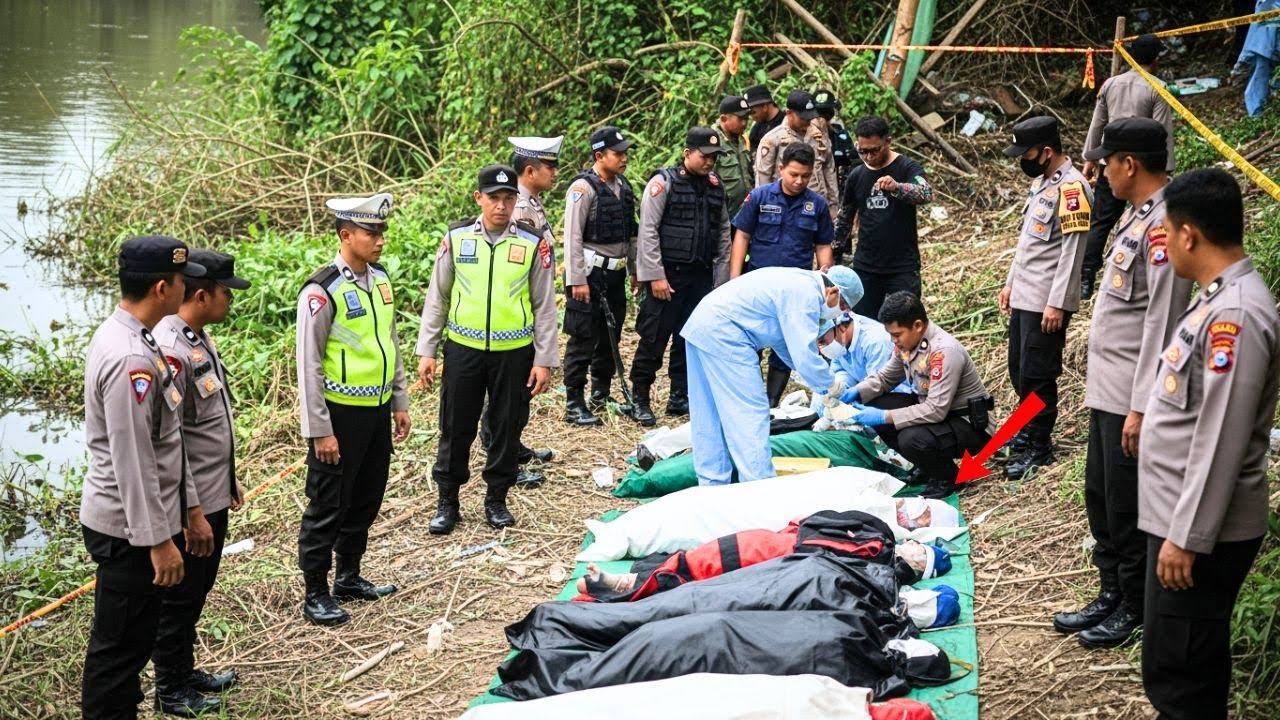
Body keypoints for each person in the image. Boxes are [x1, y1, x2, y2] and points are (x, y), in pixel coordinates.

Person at [1136, 168, 1280, 720]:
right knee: (1175, 662)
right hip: (1182, 519)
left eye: (1167, 231)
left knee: (1183, 678)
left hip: (1199, 531)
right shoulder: (1216, 298)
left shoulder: (1236, 314)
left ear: (1189, 234)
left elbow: (1221, 435)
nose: (1165, 242)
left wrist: (1187, 537)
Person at [1055, 119, 1193, 650]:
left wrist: (1141, 407)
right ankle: (1110, 589)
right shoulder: (1136, 218)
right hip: (1107, 392)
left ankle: (1134, 604)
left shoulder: (1163, 227)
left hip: (1130, 398)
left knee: (1127, 504)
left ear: (1128, 164)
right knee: (1102, 498)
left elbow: (1162, 321)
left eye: (1106, 163)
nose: (1100, 172)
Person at [80, 236, 205, 720]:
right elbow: (132, 459)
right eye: (180, 280)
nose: (186, 287)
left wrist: (189, 510)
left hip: (135, 522)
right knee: (119, 651)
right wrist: (158, 541)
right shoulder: (131, 357)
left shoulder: (136, 337)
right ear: (161, 287)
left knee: (130, 644)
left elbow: (166, 441)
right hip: (125, 530)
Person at [416, 165, 558, 535]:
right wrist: (427, 349)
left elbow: (544, 305)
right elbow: (439, 296)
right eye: (493, 198)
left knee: (506, 425)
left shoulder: (531, 242)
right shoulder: (457, 237)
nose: (501, 206)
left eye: (509, 198)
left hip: (514, 352)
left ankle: (496, 498)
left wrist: (544, 359)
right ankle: (448, 500)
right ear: (478, 198)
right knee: (455, 425)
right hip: (464, 348)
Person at [296, 193, 411, 626]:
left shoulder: (380, 280)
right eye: (370, 232)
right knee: (329, 504)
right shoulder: (322, 290)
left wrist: (399, 400)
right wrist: (319, 430)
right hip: (339, 415)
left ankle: (349, 575)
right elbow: (308, 365)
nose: (379, 240)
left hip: (376, 410)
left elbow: (390, 343)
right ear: (346, 235)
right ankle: (315, 591)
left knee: (366, 495)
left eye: (382, 231)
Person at [152, 250, 249, 716]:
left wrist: (229, 479)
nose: (231, 300)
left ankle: (184, 670)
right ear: (203, 295)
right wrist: (192, 511)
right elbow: (172, 440)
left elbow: (208, 426)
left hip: (211, 491)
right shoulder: (171, 347)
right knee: (181, 596)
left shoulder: (197, 337)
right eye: (227, 292)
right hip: (189, 502)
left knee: (197, 592)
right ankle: (170, 687)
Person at [679, 265, 863, 486]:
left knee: (708, 413)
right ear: (833, 292)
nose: (839, 313)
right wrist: (832, 385)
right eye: (842, 307)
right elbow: (804, 354)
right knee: (750, 413)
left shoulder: (796, 283)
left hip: (702, 324)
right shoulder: (806, 295)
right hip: (727, 334)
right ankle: (759, 488)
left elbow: (786, 346)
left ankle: (712, 484)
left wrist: (819, 386)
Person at [997, 116, 1092, 479]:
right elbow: (1027, 246)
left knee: (1038, 375)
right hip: (1025, 294)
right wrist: (1010, 283)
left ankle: (1040, 446)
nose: (1022, 159)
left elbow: (1073, 251)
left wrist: (1058, 302)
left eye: (1027, 152)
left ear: (1047, 151)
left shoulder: (1072, 189)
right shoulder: (1042, 184)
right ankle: (1026, 431)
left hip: (1046, 302)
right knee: (1019, 369)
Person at [629, 128, 733, 424]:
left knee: (690, 339)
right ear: (687, 153)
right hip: (668, 275)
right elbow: (648, 230)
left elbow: (724, 234)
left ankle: (679, 397)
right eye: (705, 156)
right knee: (653, 337)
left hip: (700, 276)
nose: (710, 162)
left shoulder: (715, 186)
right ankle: (640, 397)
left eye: (715, 157)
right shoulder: (663, 183)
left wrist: (721, 282)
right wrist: (655, 276)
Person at [846, 291, 993, 499]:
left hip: (969, 423)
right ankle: (927, 467)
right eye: (890, 334)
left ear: (917, 326)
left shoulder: (944, 352)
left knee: (910, 438)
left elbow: (935, 410)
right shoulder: (908, 344)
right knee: (879, 404)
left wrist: (885, 416)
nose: (893, 341)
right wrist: (857, 393)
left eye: (897, 335)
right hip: (940, 414)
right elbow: (886, 379)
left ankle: (949, 477)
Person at [479, 136, 563, 488]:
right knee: (508, 396)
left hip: (526, 316)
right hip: (513, 316)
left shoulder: (532, 203)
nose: (556, 173)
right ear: (530, 170)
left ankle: (511, 447)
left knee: (517, 395)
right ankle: (503, 456)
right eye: (550, 167)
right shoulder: (517, 209)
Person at [730, 143, 836, 407]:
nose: (799, 181)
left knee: (787, 343)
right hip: (757, 283)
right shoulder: (760, 197)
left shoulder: (817, 204)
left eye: (805, 175)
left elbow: (823, 245)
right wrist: (734, 279)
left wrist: (826, 281)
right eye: (793, 174)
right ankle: (748, 399)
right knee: (751, 342)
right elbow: (742, 235)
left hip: (795, 289)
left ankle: (772, 402)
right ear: (780, 169)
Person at [1080, 34, 1175, 300]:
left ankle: (1086, 277)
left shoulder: (1111, 84)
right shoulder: (1156, 87)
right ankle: (1135, 278)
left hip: (1111, 163)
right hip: (1142, 170)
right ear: (1156, 59)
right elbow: (1161, 132)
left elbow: (1097, 123)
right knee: (1143, 223)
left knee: (1100, 222)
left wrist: (1090, 158)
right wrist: (1165, 171)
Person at [561, 126, 639, 426]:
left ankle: (601, 392)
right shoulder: (583, 189)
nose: (624, 158)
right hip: (589, 274)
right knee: (583, 337)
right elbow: (572, 237)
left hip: (616, 274)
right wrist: (577, 280)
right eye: (618, 153)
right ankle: (574, 401)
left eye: (625, 153)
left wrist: (634, 271)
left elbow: (630, 233)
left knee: (611, 334)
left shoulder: (624, 187)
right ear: (599, 155)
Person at [833, 116, 934, 316]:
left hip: (902, 265)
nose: (869, 156)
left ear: (888, 142)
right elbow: (845, 217)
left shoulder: (906, 167)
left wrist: (898, 187)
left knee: (905, 319)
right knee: (863, 321)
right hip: (866, 264)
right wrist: (833, 251)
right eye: (863, 151)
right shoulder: (857, 175)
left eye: (874, 150)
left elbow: (925, 193)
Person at [754, 89, 840, 215]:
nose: (807, 122)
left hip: (816, 205)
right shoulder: (773, 139)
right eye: (803, 118)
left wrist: (833, 205)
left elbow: (829, 169)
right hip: (785, 208)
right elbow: (763, 178)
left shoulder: (819, 135)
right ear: (789, 113)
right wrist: (766, 211)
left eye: (810, 117)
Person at [810, 311, 913, 413]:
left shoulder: (875, 343)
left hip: (898, 395)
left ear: (841, 328)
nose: (821, 350)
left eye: (822, 341)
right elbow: (840, 368)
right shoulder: (840, 341)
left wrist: (854, 396)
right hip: (869, 387)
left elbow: (879, 385)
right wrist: (840, 388)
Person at [1236, 0, 1280, 117]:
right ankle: (1258, 112)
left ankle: (1260, 110)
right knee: (1262, 67)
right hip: (1266, 45)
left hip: (1266, 45)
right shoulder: (1268, 5)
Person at [714, 95, 754, 213]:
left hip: (743, 211)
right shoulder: (712, 143)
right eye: (740, 119)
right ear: (724, 119)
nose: (744, 123)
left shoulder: (742, 140)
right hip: (721, 213)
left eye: (746, 118)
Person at [812, 89, 855, 191]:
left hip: (832, 190)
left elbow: (853, 163)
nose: (820, 119)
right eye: (817, 114)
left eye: (825, 114)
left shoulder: (839, 135)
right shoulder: (800, 135)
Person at [744, 83, 783, 154]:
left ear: (765, 107)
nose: (752, 117)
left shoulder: (785, 122)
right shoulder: (757, 128)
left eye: (753, 112)